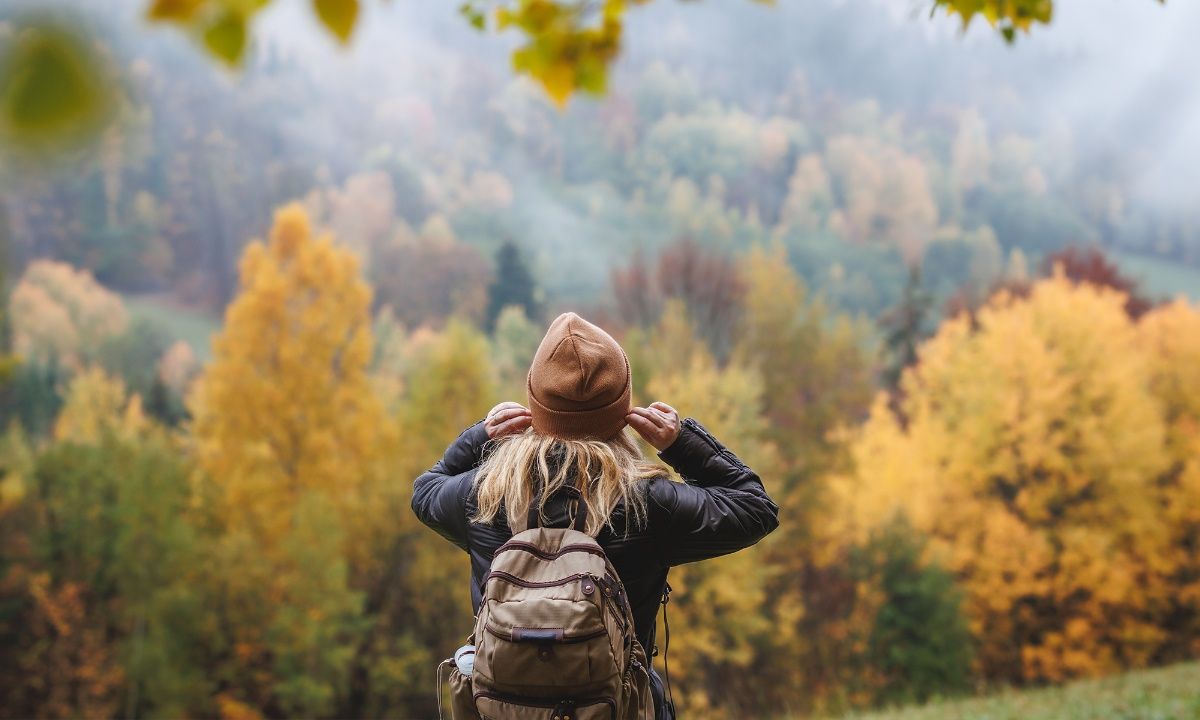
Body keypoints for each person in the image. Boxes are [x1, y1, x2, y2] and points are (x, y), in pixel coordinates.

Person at [412, 312, 779, 719]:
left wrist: (481, 435)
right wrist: (680, 443)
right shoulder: (646, 503)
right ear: (622, 410)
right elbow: (755, 508)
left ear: (535, 404)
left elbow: (425, 491)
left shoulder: (485, 495)